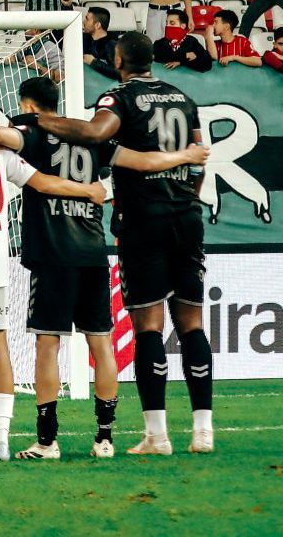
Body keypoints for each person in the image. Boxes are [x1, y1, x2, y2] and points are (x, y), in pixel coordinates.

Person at [0, 76, 208, 461]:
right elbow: (143, 161)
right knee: (100, 343)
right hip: (92, 253)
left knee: (48, 344)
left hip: (53, 254)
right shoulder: (93, 140)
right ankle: (105, 439)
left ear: (29, 106)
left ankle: (47, 441)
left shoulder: (33, 135)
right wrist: (186, 156)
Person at [34, 32, 214, 455]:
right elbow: (199, 161)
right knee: (192, 324)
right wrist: (186, 198)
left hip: (143, 220)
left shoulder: (119, 98)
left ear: (118, 60)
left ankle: (157, 435)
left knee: (148, 326)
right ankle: (203, 431)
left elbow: (95, 133)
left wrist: (40, 120)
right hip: (187, 217)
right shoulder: (183, 98)